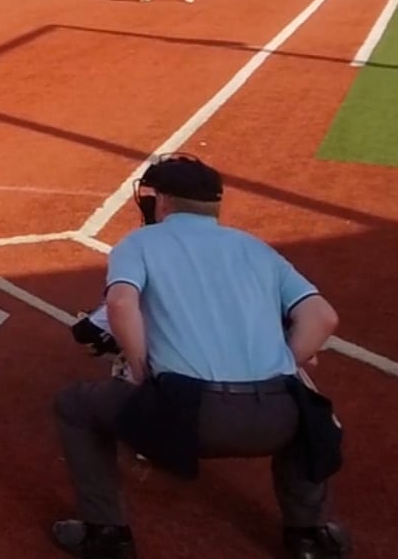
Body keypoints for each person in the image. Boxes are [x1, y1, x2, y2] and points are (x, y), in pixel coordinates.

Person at [49, 153, 349, 559]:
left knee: (75, 406)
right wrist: (284, 365)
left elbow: (119, 305)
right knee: (307, 409)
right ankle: (309, 536)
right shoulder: (256, 248)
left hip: (189, 417)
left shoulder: (139, 243)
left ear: (162, 201)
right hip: (277, 418)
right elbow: (323, 317)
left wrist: (140, 369)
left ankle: (107, 534)